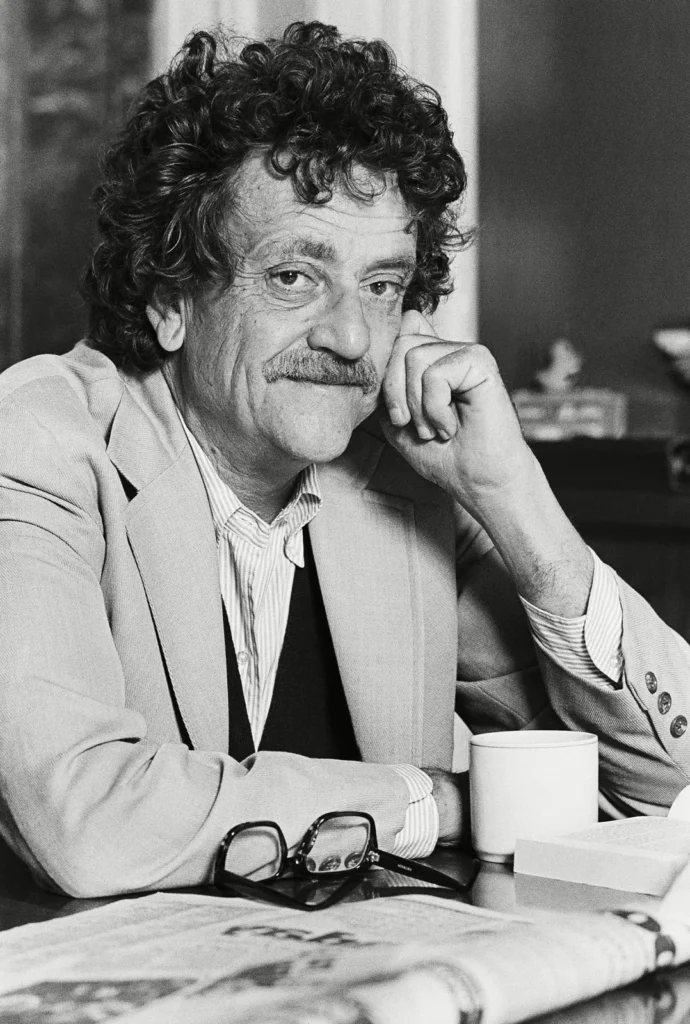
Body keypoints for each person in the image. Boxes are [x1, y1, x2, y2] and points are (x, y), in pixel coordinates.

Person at [0, 22, 688, 899]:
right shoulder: (38, 442)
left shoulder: (404, 479)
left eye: (383, 284)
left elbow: (663, 791)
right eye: (294, 276)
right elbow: (89, 825)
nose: (353, 337)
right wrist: (430, 801)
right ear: (171, 297)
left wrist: (516, 499)